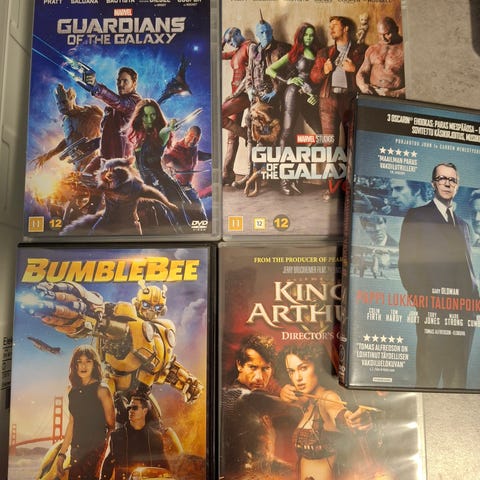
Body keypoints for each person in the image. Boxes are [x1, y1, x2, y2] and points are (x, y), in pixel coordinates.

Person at [398, 163, 479, 388]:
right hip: (433, 313)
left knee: (457, 382)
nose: (447, 183)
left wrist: (475, 306)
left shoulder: (464, 225)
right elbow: (407, 264)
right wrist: (425, 304)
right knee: (428, 379)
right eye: (442, 178)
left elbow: (467, 270)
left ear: (457, 186)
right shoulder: (417, 216)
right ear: (433, 183)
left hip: (464, 316)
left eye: (452, 180)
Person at [279, 344, 372, 480]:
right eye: (291, 372)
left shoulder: (328, 397)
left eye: (303, 368)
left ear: (317, 366)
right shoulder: (308, 402)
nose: (297, 378)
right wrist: (281, 392)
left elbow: (341, 415)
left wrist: (353, 421)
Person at [221, 335, 295, 478]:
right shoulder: (234, 395)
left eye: (265, 369)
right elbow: (256, 400)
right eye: (252, 367)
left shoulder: (253, 397)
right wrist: (287, 397)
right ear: (239, 365)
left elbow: (260, 456)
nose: (259, 377)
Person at [266, 22, 322, 195]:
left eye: (311, 35)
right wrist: (288, 80)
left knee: (321, 136)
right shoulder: (294, 53)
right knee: (286, 134)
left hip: (308, 97)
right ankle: (284, 181)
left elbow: (317, 79)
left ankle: (297, 174)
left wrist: (315, 95)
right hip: (293, 94)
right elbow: (270, 70)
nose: (309, 38)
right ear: (300, 36)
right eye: (306, 35)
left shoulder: (317, 53)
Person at [242, 13, 291, 196]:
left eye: (267, 31)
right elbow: (249, 75)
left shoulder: (281, 49)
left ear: (272, 31)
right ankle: (251, 174)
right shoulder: (253, 51)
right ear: (257, 34)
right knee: (251, 138)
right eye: (261, 32)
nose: (265, 35)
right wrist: (249, 90)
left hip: (272, 104)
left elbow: (288, 75)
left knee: (266, 139)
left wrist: (276, 92)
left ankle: (267, 178)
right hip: (255, 101)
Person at [126, 98, 190, 232]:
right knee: (163, 227)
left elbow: (165, 130)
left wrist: (170, 126)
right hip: (149, 189)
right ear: (139, 117)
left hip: (163, 187)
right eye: (145, 115)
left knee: (181, 226)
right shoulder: (138, 141)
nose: (149, 119)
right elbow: (136, 169)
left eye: (153, 115)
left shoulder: (160, 135)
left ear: (157, 116)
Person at [56, 345, 115, 480]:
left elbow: (111, 427)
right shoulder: (72, 392)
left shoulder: (102, 390)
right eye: (79, 361)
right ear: (75, 365)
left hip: (95, 451)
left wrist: (100, 455)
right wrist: (62, 454)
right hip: (76, 450)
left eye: (88, 361)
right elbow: (72, 422)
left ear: (94, 365)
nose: (83, 366)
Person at [310, 16, 366, 148]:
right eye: (330, 26)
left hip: (350, 99)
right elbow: (313, 77)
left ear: (345, 28)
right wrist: (324, 71)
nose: (331, 29)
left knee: (353, 142)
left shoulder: (360, 51)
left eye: (335, 25)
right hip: (327, 99)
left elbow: (369, 75)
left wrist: (354, 69)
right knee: (328, 144)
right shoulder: (324, 52)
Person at [101, 394, 170, 480]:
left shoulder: (155, 437)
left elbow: (163, 466)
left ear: (145, 411)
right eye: (129, 408)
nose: (131, 411)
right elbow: (107, 467)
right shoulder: (117, 436)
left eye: (135, 408)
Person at [84, 66, 142, 161]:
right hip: (108, 160)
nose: (120, 84)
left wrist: (97, 88)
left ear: (134, 84)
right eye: (118, 81)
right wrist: (94, 143)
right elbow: (111, 134)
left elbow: (119, 102)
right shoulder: (114, 108)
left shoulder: (134, 103)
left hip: (123, 162)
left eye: (125, 81)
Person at [221, 27, 252, 185]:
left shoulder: (249, 47)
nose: (230, 43)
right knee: (231, 137)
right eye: (228, 41)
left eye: (231, 39)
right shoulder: (236, 51)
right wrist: (222, 41)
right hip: (236, 95)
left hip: (245, 95)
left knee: (218, 114)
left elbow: (250, 74)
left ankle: (246, 134)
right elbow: (217, 55)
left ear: (238, 34)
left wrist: (236, 94)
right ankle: (227, 173)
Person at [163, 125, 211, 224]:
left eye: (196, 138)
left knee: (200, 214)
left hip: (187, 186)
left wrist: (212, 156)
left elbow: (196, 155)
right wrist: (170, 165)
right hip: (176, 187)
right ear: (186, 134)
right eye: (191, 136)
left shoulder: (193, 147)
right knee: (181, 215)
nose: (193, 140)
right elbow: (165, 158)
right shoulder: (177, 148)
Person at [356, 17, 405, 98]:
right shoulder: (373, 49)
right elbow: (362, 72)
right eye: (380, 34)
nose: (383, 38)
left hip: (395, 99)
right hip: (373, 96)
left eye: (387, 34)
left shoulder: (407, 49)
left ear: (396, 29)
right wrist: (363, 85)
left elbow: (416, 83)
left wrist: (393, 94)